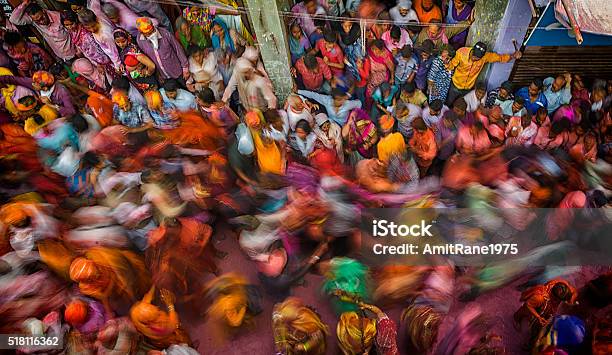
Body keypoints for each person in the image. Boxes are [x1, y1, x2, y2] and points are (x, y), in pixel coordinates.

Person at [447, 41, 521, 106]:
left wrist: (513, 56)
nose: (474, 59)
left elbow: (499, 58)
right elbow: (451, 65)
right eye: (474, 56)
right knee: (448, 103)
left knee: (461, 105)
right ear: (472, 50)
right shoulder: (461, 52)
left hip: (468, 88)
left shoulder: (485, 57)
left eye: (477, 59)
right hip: (455, 85)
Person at [9, 0, 76, 61]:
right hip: (61, 57)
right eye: (37, 21)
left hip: (74, 53)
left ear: (43, 11)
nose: (41, 22)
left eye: (42, 18)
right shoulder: (33, 21)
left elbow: (73, 32)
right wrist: (25, 3)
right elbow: (13, 19)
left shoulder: (58, 17)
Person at [136, 17, 190, 85]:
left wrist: (185, 68)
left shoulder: (165, 34)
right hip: (163, 76)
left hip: (177, 71)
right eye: (148, 33)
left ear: (153, 25)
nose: (152, 34)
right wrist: (157, 74)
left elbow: (178, 49)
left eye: (152, 30)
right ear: (142, 33)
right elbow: (147, 58)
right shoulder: (140, 40)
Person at [113, 28, 158, 93]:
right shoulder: (121, 50)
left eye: (123, 41)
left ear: (128, 38)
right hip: (138, 81)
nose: (121, 44)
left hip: (146, 80)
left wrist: (147, 72)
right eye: (118, 42)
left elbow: (151, 66)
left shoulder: (133, 50)